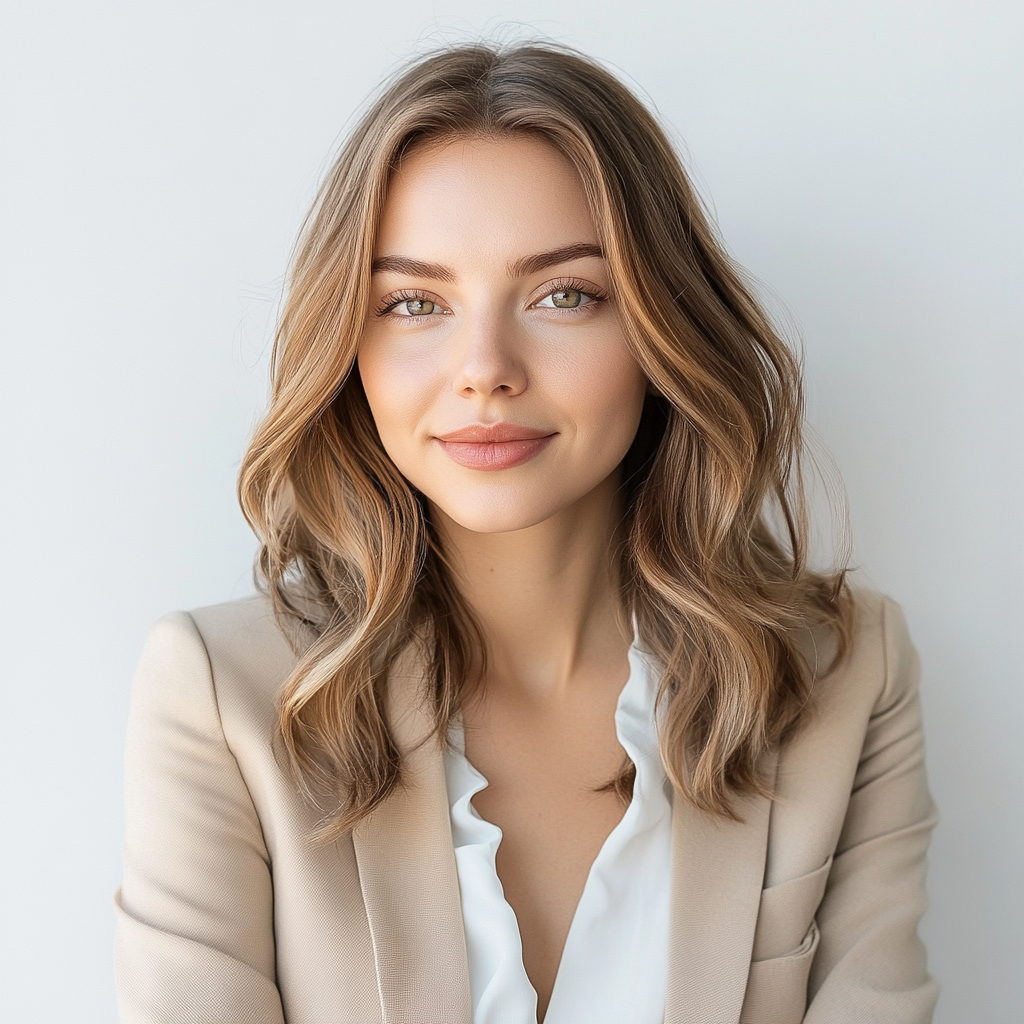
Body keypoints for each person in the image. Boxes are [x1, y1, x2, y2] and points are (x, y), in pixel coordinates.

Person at [114, 42, 938, 1024]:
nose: (484, 368)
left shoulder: (845, 677)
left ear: (658, 328)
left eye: (563, 294)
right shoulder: (223, 696)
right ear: (352, 348)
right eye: (414, 302)